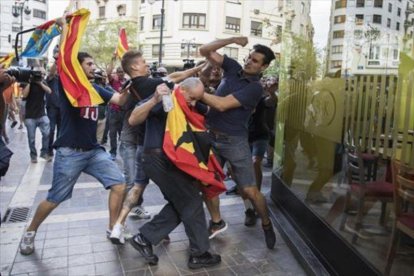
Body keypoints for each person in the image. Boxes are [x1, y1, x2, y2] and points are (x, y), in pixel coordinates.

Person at [18, 49, 131, 255]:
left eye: (92, 63)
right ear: (77, 67)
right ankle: (30, 232)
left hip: (94, 152)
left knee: (119, 184)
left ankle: (112, 228)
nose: (93, 67)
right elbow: (64, 62)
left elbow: (120, 101)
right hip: (70, 153)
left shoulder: (97, 88)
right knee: (55, 198)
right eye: (89, 64)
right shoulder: (68, 86)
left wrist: (132, 83)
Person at [108, 50, 204, 244]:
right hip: (151, 145)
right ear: (134, 66)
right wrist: (200, 68)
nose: (146, 64)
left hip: (138, 143)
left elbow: (172, 77)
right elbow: (176, 79)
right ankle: (159, 230)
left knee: (136, 186)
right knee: (174, 191)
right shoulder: (148, 84)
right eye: (143, 62)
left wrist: (195, 69)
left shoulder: (131, 84)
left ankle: (118, 226)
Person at [128, 77, 221, 269]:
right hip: (159, 158)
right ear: (184, 90)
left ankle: (144, 238)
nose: (194, 103)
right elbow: (133, 119)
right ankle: (199, 254)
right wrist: (153, 99)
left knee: (184, 202)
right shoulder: (164, 96)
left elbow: (209, 111)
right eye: (192, 98)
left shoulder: (188, 102)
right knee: (192, 201)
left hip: (171, 160)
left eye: (197, 99)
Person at [199, 37, 277, 249]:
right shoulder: (232, 67)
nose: (249, 62)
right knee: (209, 184)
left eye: (255, 60)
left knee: (250, 190)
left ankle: (267, 224)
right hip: (211, 138)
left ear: (264, 66)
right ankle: (216, 222)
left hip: (234, 142)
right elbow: (205, 49)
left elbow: (223, 104)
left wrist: (198, 93)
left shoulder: (255, 88)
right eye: (250, 57)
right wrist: (233, 39)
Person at [22, 67, 52, 163]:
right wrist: (30, 82)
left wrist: (40, 83)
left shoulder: (43, 83)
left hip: (41, 114)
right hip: (30, 116)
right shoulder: (28, 82)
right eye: (39, 74)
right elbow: (24, 95)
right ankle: (33, 156)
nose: (41, 75)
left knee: (47, 133)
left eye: (43, 74)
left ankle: (44, 153)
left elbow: (49, 91)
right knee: (31, 138)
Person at [45, 48, 61, 157]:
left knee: (61, 131)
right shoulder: (50, 78)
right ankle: (49, 149)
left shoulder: (63, 79)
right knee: (51, 130)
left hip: (62, 109)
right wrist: (57, 60)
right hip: (52, 108)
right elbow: (51, 71)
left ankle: (58, 149)